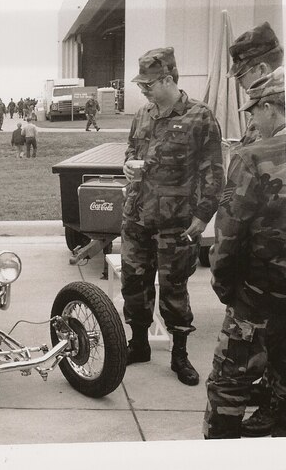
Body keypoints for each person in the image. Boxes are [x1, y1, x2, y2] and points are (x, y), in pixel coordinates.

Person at [121, 47, 224, 386]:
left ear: (167, 78)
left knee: (174, 289)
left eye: (148, 83)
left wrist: (201, 219)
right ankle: (138, 344)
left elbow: (214, 172)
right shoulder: (143, 114)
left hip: (176, 224)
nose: (143, 89)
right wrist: (128, 166)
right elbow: (132, 152)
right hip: (137, 218)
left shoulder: (200, 116)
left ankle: (179, 354)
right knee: (134, 285)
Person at [204, 68, 286, 438]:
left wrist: (226, 288)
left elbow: (227, 237)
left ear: (270, 107)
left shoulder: (253, 156)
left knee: (229, 385)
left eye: (254, 111)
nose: (253, 119)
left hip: (257, 295)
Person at [229, 22, 284, 146]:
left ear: (262, 70)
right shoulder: (262, 103)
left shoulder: (274, 108)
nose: (238, 81)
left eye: (240, 74)